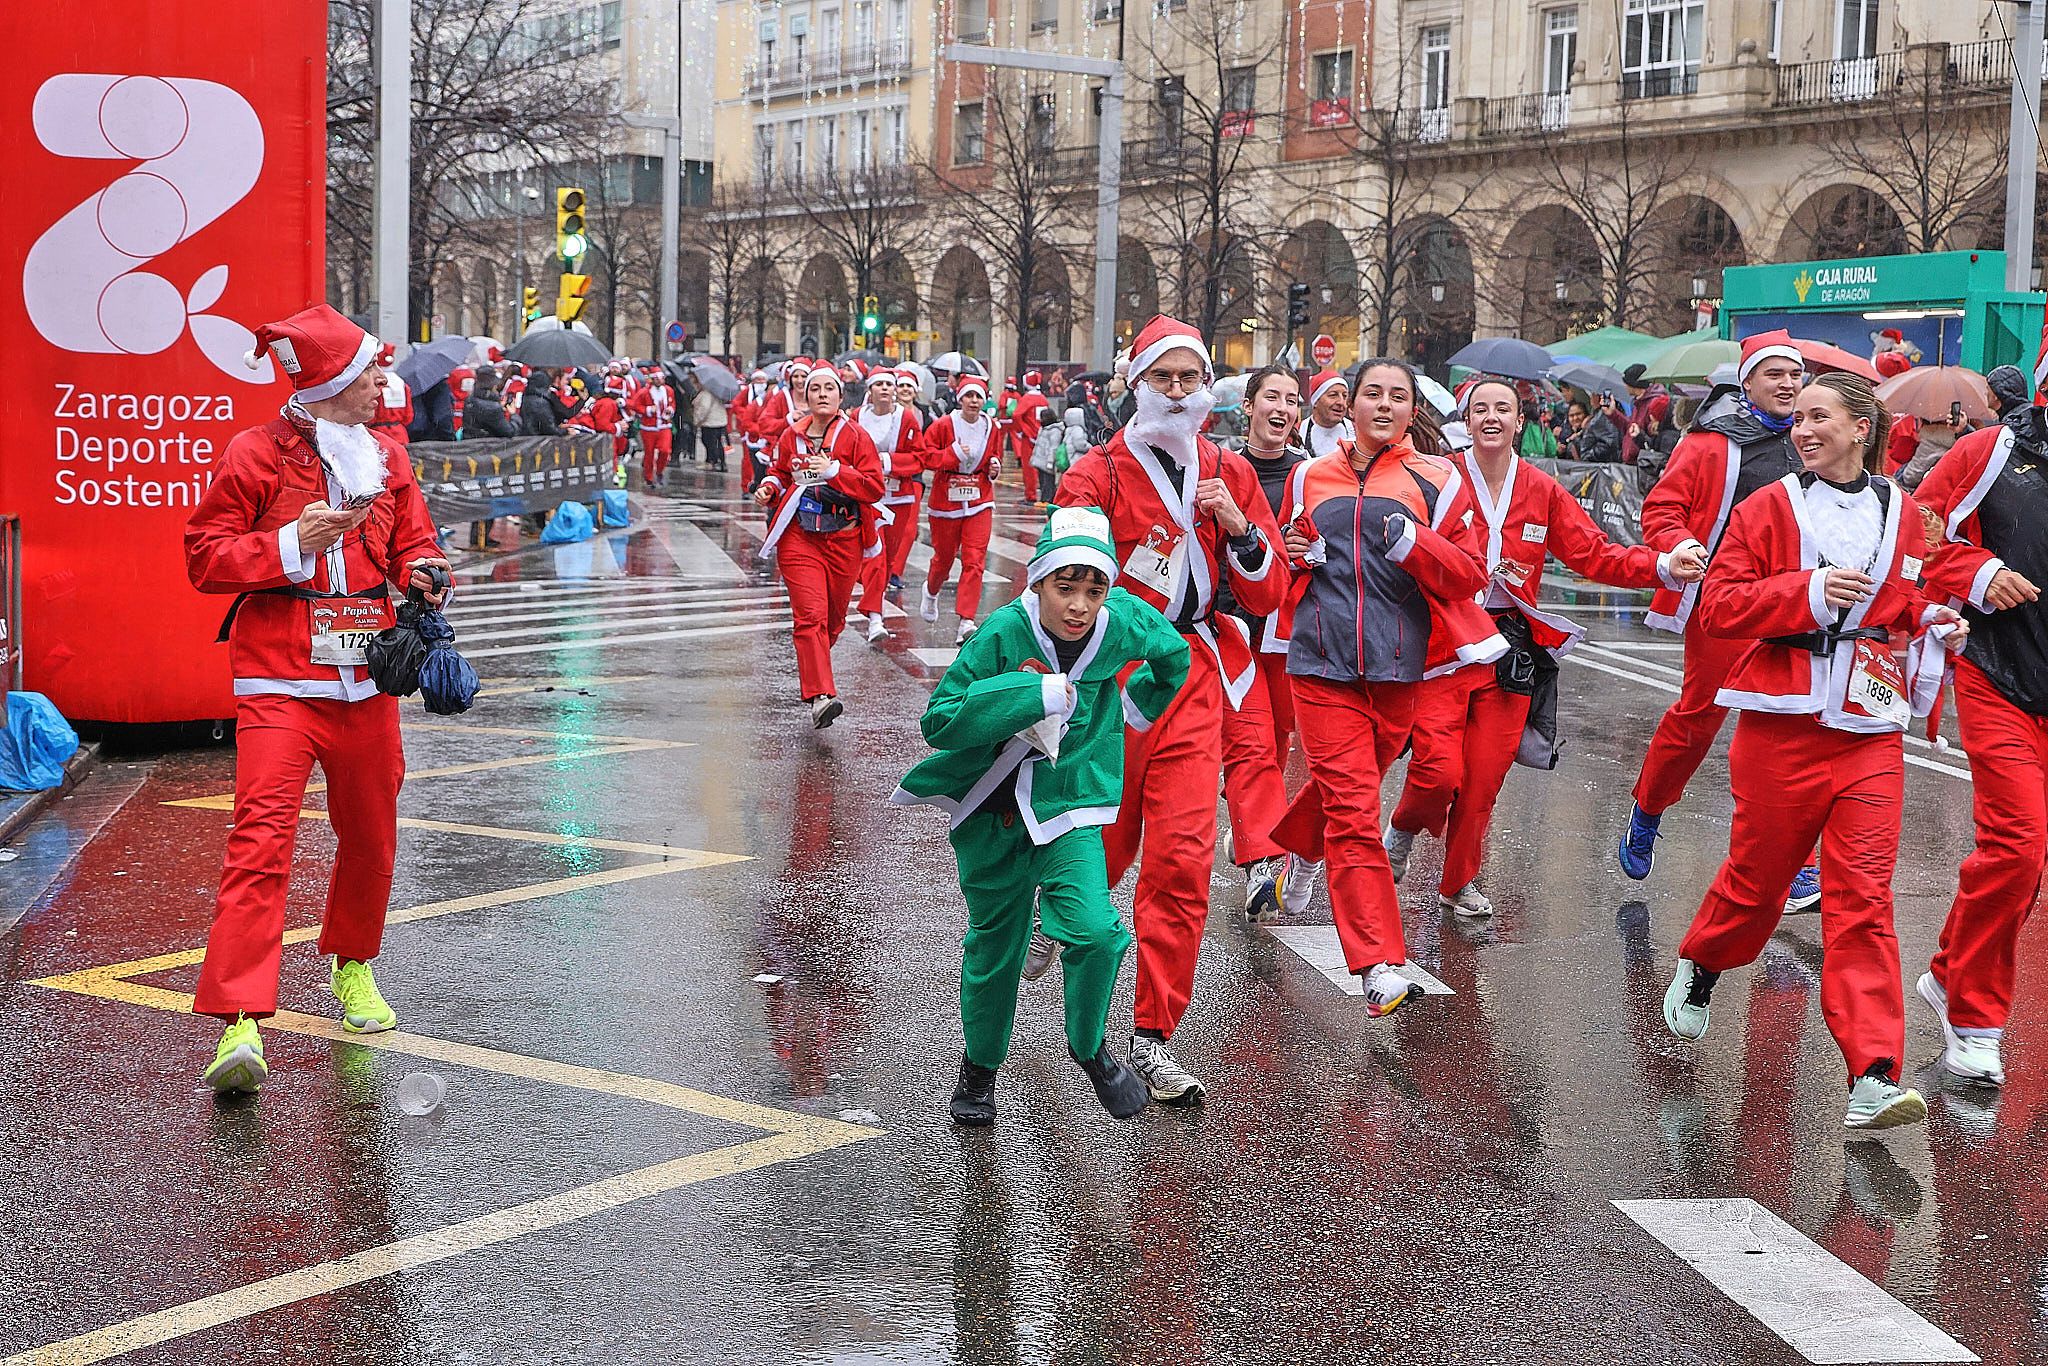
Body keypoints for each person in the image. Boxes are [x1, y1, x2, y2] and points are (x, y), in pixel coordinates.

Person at [1661, 371, 1964, 1131]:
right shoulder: (1768, 506)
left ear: (1861, 427)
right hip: (1782, 721)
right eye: (1796, 418)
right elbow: (1721, 606)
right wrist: (1806, 592)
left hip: (1870, 727)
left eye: (1818, 416)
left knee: (1862, 898)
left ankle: (1873, 1073)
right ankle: (1704, 961)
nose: (1802, 430)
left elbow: (1906, 598)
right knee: (1758, 883)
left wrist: (1935, 619)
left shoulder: (1905, 512)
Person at [182, 304, 451, 1095]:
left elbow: (413, 541)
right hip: (277, 678)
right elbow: (205, 557)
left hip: (368, 676)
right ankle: (239, 1018)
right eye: (368, 372)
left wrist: (427, 571)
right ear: (330, 383)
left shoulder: (386, 454)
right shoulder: (255, 453)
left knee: (371, 834)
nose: (381, 384)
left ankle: (353, 963)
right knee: (260, 838)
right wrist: (291, 543)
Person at [1049, 315, 1285, 1101]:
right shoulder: (1097, 474)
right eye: (1164, 378)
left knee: (1181, 860)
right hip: (1111, 680)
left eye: (1191, 379)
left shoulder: (1228, 470)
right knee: (1105, 848)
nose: (1179, 393)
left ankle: (1152, 1035)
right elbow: (1059, 584)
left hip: (1194, 677)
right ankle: (1057, 915)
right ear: (1137, 384)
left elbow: (1270, 592)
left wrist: (1240, 530)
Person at [893, 507, 1192, 1126]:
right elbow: (940, 721)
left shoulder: (1122, 622)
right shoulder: (1004, 632)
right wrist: (1035, 695)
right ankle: (979, 1072)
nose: (1079, 605)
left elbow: (1173, 655)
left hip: (1070, 803)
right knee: (996, 947)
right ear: (1039, 582)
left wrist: (1134, 710)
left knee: (1097, 932)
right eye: (1065, 586)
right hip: (994, 809)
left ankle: (1092, 1051)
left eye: (1094, 589)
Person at [1384, 380, 1707, 916]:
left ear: (1520, 421)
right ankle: (1403, 827)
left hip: (1511, 652)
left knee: (1484, 778)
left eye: (1503, 409)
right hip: (1445, 643)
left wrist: (1662, 565)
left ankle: (1459, 881)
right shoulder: (1437, 475)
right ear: (1466, 420)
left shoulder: (1541, 488)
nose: (1491, 417)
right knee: (1437, 770)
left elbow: (1593, 553)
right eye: (1480, 409)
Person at [1267, 359, 1500, 1018]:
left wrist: (1414, 544)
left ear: (1411, 411)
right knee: (1353, 810)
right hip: (1320, 663)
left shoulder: (1439, 479)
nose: (1385, 405)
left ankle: (1300, 853)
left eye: (1398, 396)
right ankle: (1377, 963)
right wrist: (1294, 552)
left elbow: (1470, 574)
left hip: (1401, 671)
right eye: (1372, 393)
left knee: (1349, 788)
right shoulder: (1310, 475)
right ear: (1350, 405)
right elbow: (1288, 550)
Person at [1620, 330, 1819, 911]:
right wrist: (1682, 544)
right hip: (1725, 600)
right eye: (1775, 374)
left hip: (1796, 601)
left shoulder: (1813, 440)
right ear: (1747, 382)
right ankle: (1648, 807)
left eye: (1795, 375)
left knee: (1796, 726)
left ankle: (1798, 863)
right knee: (1700, 719)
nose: (1787, 384)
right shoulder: (1712, 441)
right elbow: (1662, 508)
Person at [1911, 355, 2048, 1086]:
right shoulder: (1990, 452)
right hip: (2001, 680)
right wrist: (1979, 574)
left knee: (2024, 864)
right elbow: (1916, 535)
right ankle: (1973, 1017)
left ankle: (1949, 971)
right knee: (2019, 847)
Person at [1216, 365, 1312, 920]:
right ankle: (1262, 858)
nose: (1283, 408)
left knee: (1273, 740)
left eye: (1292, 400)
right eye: (1272, 397)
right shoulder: (1220, 469)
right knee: (1249, 742)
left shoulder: (1311, 474)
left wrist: (1307, 548)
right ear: (1248, 406)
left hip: (1283, 628)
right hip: (1229, 623)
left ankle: (1252, 827)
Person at [753, 366, 885, 728]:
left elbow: (874, 487)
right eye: (815, 389)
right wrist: (769, 487)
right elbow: (780, 473)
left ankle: (815, 670)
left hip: (843, 536)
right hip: (800, 537)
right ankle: (821, 696)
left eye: (829, 388)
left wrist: (834, 471)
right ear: (806, 395)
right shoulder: (791, 436)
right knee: (810, 616)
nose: (822, 394)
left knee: (833, 620)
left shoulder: (855, 436)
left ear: (841, 396)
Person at [919, 373, 1000, 644]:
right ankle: (931, 591)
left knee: (974, 560)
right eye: (969, 396)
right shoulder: (943, 425)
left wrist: (994, 467)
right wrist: (952, 453)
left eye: (978, 396)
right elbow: (926, 456)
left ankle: (966, 620)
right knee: (943, 559)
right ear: (960, 399)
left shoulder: (991, 427)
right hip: (946, 501)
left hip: (979, 499)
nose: (973, 401)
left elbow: (993, 456)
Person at [853, 366, 924, 643]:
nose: (884, 388)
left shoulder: (906, 418)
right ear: (869, 389)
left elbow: (919, 457)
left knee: (888, 558)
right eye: (878, 384)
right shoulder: (857, 417)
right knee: (876, 555)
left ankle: (875, 600)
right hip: (868, 499)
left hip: (898, 498)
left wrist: (887, 462)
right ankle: (875, 618)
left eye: (888, 384)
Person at [1008, 370, 1052, 504]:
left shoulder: (1027, 398)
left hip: (1029, 437)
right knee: (1043, 467)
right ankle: (1045, 495)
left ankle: (1031, 495)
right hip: (1042, 435)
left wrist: (1022, 429)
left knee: (1029, 468)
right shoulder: (1043, 398)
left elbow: (1016, 415)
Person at [631, 370, 677, 486]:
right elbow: (635, 405)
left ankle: (660, 471)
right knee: (649, 453)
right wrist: (648, 409)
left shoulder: (668, 390)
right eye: (657, 379)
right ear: (652, 379)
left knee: (665, 450)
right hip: (648, 428)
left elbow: (672, 404)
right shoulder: (644, 392)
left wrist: (670, 410)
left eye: (662, 378)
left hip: (664, 426)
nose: (660, 381)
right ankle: (649, 477)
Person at [732, 367, 773, 489]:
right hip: (750, 433)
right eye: (758, 380)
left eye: (763, 380)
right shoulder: (747, 393)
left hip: (766, 434)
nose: (760, 383)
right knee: (748, 460)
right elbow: (736, 405)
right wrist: (747, 414)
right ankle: (746, 485)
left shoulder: (770, 395)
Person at [1300, 369, 1354, 458]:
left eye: (1344, 396)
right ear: (1316, 401)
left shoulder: (1358, 433)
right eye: (1333, 395)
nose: (1341, 402)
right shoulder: (1296, 434)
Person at [368, 344, 412, 446]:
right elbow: (408, 416)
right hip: (400, 434)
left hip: (378, 433)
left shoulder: (375, 385)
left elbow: (370, 415)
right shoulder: (403, 385)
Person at [693, 375, 729, 471]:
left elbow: (704, 409)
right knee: (718, 443)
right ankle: (721, 463)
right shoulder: (717, 392)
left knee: (709, 442)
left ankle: (713, 462)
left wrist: (697, 420)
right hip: (719, 421)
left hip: (710, 422)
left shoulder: (706, 394)